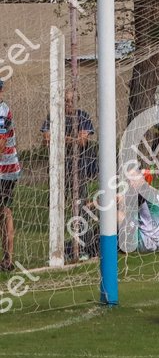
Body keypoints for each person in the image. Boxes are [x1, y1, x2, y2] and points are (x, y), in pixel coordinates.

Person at [41, 90, 96, 258]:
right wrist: (70, 139)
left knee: (80, 207)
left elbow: (82, 141)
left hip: (78, 169)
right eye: (66, 101)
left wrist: (58, 137)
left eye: (71, 101)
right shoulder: (53, 117)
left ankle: (82, 248)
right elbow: (46, 140)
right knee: (55, 208)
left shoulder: (83, 116)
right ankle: (56, 251)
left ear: (77, 101)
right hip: (57, 170)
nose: (68, 104)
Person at [0, 80, 21, 271]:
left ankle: (8, 259)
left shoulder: (2, 111)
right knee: (4, 211)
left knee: (5, 212)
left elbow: (1, 143)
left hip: (4, 170)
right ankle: (7, 260)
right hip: (9, 168)